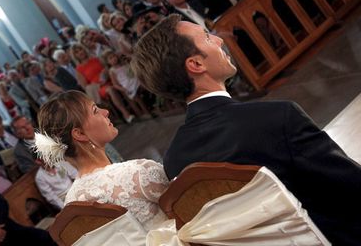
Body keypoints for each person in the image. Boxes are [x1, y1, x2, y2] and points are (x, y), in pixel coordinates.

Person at [130, 14, 361, 245]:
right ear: (196, 64)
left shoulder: (175, 160)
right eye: (208, 37)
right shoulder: (277, 118)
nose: (220, 41)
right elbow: (350, 185)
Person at [34, 91, 169, 230]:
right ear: (80, 134)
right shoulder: (139, 173)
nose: (106, 112)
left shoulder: (72, 203)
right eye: (95, 110)